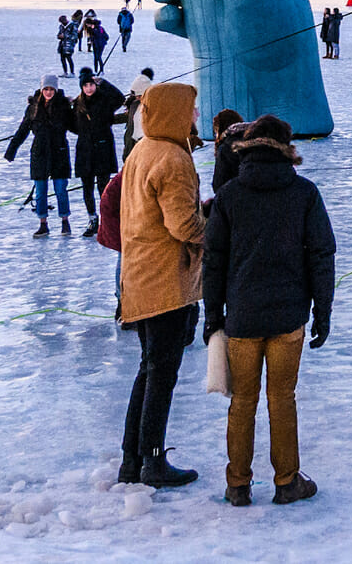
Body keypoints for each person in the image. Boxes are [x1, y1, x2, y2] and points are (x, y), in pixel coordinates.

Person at [203, 115, 335, 507]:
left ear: (249, 146)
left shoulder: (228, 196)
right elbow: (322, 256)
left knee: (242, 401)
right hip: (288, 318)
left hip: (242, 317)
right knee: (282, 399)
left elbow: (213, 261)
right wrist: (322, 311)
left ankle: (238, 484)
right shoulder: (305, 194)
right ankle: (287, 480)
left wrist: (212, 317)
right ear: (286, 148)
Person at [117, 81, 208, 489]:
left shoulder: (142, 149)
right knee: (161, 375)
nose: (196, 116)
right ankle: (152, 461)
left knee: (148, 370)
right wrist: (214, 229)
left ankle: (131, 460)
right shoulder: (172, 158)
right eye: (191, 110)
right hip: (166, 280)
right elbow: (183, 226)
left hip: (139, 275)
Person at [7, 74, 76, 237]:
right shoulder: (33, 107)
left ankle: (65, 221)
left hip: (59, 152)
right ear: (41, 89)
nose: (49, 92)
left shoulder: (64, 106)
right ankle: (43, 223)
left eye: (52, 89)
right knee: (40, 192)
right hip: (39, 153)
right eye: (46, 89)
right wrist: (12, 149)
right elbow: (23, 130)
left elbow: (76, 126)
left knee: (61, 190)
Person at [74, 69, 129, 236]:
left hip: (103, 149)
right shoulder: (77, 104)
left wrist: (104, 83)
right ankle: (92, 218)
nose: (89, 88)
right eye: (86, 85)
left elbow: (120, 98)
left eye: (91, 85)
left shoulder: (105, 99)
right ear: (82, 87)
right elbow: (71, 124)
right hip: (85, 151)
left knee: (104, 187)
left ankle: (107, 220)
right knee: (87, 187)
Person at [123, 69, 155, 161]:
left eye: (140, 96)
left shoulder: (155, 107)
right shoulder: (134, 105)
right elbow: (128, 119)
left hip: (147, 150)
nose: (138, 98)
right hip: (133, 148)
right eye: (136, 96)